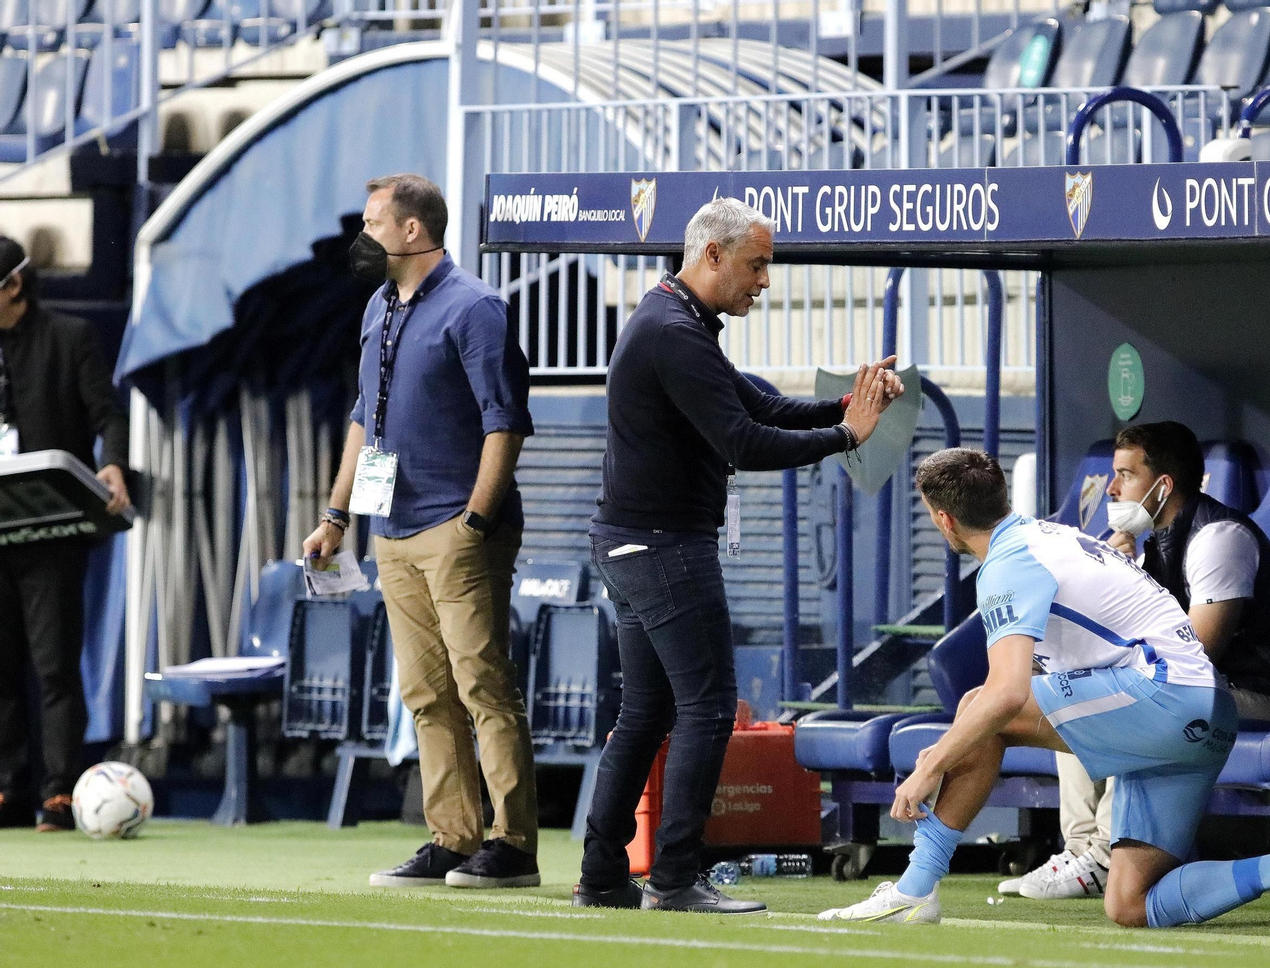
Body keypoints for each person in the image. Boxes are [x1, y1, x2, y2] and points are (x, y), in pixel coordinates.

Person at [818, 448, 1270, 930]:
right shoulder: (1054, 536)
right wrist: (954, 743)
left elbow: (1004, 696)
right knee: (1130, 904)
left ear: (943, 519)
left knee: (981, 708)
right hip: (1206, 713)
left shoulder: (1009, 563)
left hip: (1166, 698)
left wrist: (928, 769)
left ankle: (914, 890)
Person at [572, 198, 904, 914]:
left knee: (646, 713)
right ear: (713, 255)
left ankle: (602, 876)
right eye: (756, 265)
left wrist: (848, 404)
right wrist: (847, 437)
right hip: (663, 547)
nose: (764, 282)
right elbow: (745, 442)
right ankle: (673, 878)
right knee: (710, 706)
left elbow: (760, 405)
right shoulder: (673, 331)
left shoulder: (677, 319)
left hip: (632, 543)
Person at [303, 174, 542, 890]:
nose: (364, 236)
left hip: (456, 528)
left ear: (413, 231)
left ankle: (515, 843)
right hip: (393, 530)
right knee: (425, 691)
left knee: (482, 682)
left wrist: (475, 517)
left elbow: (506, 422)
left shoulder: (475, 309)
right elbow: (361, 417)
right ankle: (453, 836)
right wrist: (336, 514)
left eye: (375, 222)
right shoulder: (379, 306)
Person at [999, 421, 1270, 901]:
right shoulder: (1152, 544)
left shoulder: (1219, 538)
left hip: (1267, 696)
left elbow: (1195, 655)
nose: (1111, 488)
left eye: (1125, 475)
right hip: (1209, 692)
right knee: (1064, 694)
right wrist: (1112, 575)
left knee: (1128, 700)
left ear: (1162, 485)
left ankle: (1108, 855)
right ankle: (1083, 849)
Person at [0, 238, 130, 832]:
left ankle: (57, 792)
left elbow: (108, 413)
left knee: (53, 664)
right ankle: (8, 789)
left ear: (14, 287)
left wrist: (114, 464)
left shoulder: (68, 339)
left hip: (52, 529)